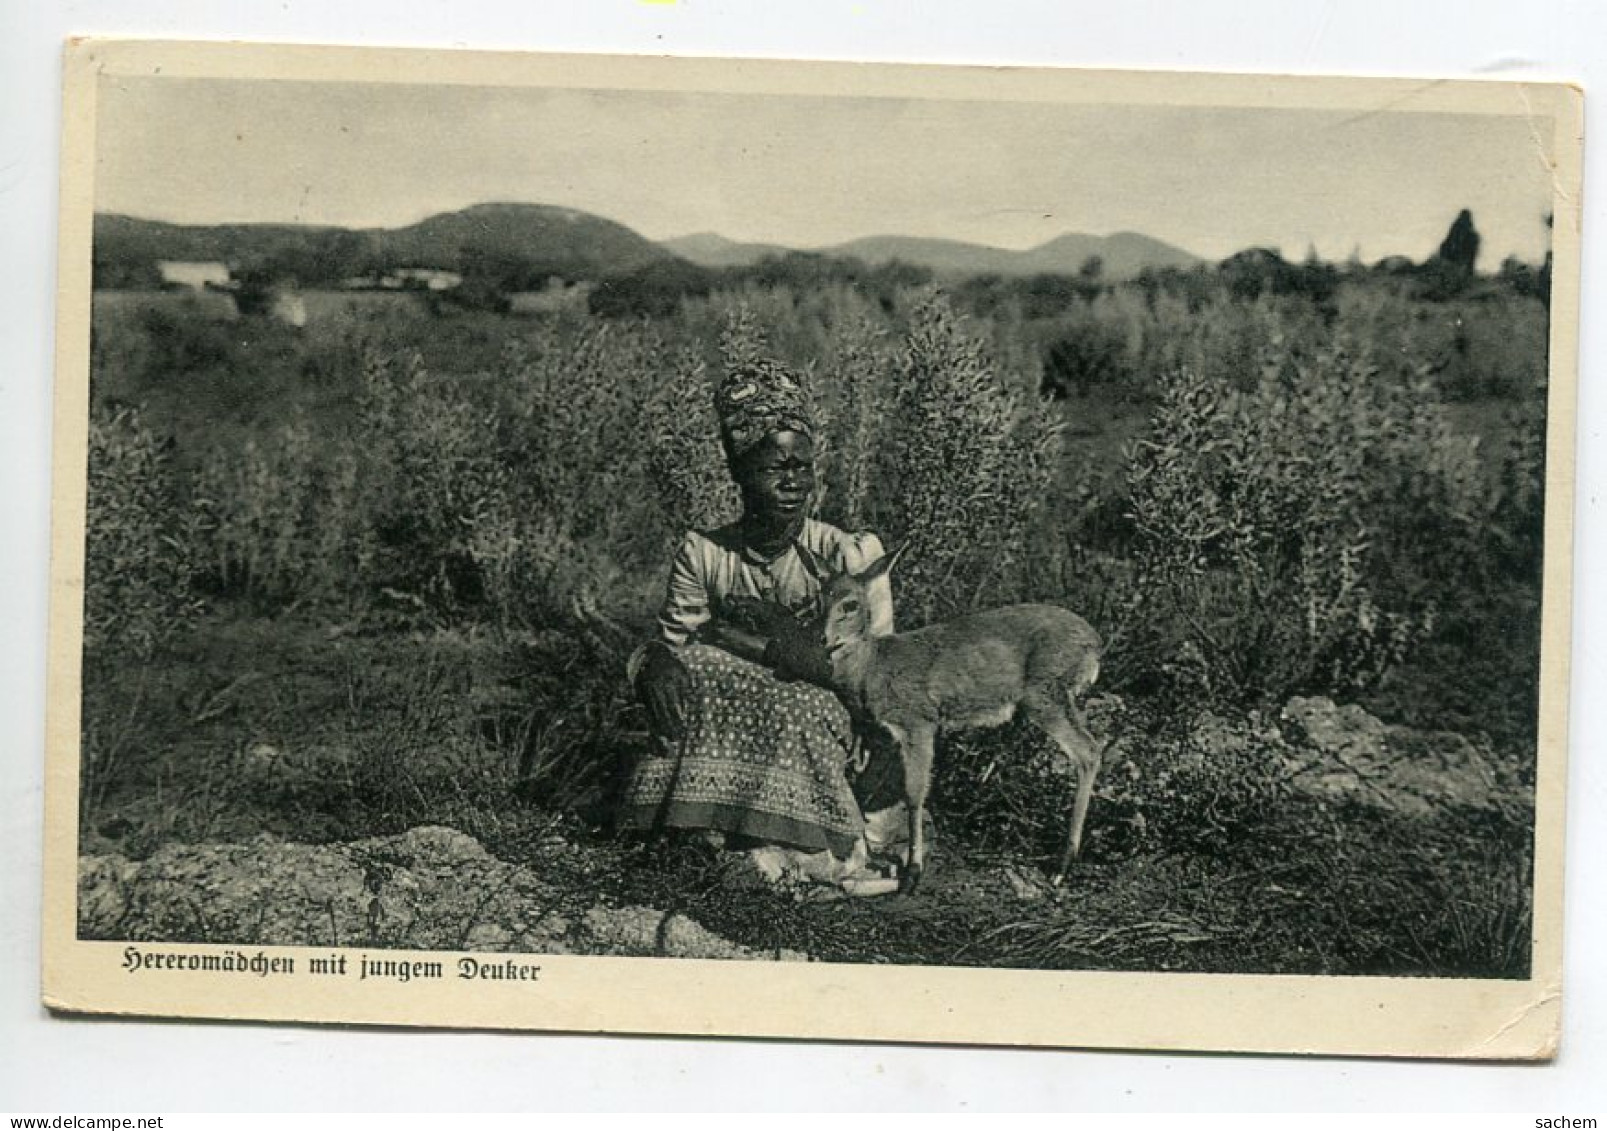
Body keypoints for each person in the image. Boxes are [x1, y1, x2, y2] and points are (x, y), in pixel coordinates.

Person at [620, 356, 894, 882]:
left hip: (837, 736)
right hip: (741, 721)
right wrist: (653, 663)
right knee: (688, 675)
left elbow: (875, 676)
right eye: (774, 467)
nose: (793, 482)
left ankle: (803, 845)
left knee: (798, 699)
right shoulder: (705, 552)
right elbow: (676, 641)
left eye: (802, 467)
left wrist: (761, 639)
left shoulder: (846, 554)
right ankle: (693, 831)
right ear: (740, 474)